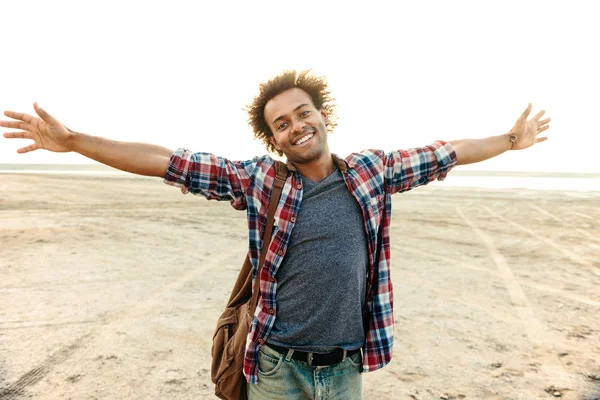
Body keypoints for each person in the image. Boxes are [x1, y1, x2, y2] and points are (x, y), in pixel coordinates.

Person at [1, 70, 550, 400]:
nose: (296, 126)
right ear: (274, 139)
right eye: (282, 123)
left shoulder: (372, 172)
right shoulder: (260, 181)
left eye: (303, 113)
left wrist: (509, 138)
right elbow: (167, 160)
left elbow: (447, 151)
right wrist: (73, 140)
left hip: (347, 365)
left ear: (322, 115)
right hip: (274, 365)